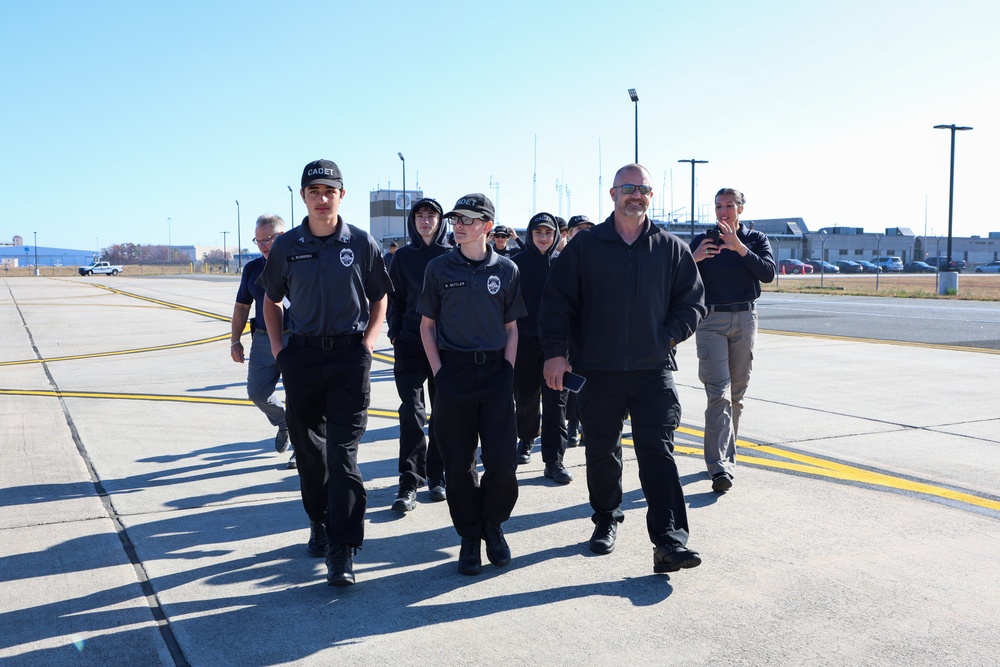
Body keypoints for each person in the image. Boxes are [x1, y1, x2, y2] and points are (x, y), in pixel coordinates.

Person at [540, 163, 706, 575]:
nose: (637, 195)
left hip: (653, 370)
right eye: (628, 188)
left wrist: (665, 337)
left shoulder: (671, 248)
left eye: (644, 189)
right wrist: (555, 353)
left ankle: (669, 541)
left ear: (651, 196)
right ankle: (606, 518)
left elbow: (694, 303)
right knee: (601, 450)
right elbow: (557, 303)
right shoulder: (585, 246)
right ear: (612, 194)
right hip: (599, 369)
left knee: (658, 453)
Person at [258, 159, 391, 587]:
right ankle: (318, 521)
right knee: (311, 455)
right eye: (313, 190)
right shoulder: (286, 246)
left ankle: (343, 547)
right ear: (303, 197)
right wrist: (280, 351)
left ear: (341, 195)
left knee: (343, 454)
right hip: (302, 358)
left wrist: (369, 343)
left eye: (328, 190)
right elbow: (271, 300)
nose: (321, 198)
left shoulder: (363, 243)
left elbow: (379, 297)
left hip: (349, 359)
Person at [418, 193, 526, 576]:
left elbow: (512, 329)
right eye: (455, 219)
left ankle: (492, 524)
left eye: (466, 219)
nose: (457, 225)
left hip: (496, 372)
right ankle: (469, 537)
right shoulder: (438, 269)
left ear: (486, 225)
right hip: (454, 374)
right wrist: (440, 373)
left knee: (502, 462)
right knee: (459, 465)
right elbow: (426, 327)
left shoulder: (508, 270)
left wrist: (507, 370)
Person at [690, 188, 775, 493]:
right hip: (711, 322)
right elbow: (676, 277)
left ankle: (727, 456)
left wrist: (738, 247)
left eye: (728, 206)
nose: (722, 211)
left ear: (741, 208)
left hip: (745, 318)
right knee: (718, 393)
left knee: (736, 394)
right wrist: (694, 258)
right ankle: (719, 466)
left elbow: (767, 274)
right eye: (718, 206)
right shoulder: (703, 240)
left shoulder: (755, 239)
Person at [386, 198, 450, 511]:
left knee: (442, 411)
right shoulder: (402, 257)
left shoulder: (452, 256)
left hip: (444, 346)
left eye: (431, 215)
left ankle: (437, 475)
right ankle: (410, 481)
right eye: (420, 215)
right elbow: (394, 298)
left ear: (440, 221)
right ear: (413, 221)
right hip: (410, 343)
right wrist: (395, 331)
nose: (425, 221)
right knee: (411, 411)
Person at [230, 214, 294, 468]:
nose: (264, 245)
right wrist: (235, 340)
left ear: (282, 236)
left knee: (300, 396)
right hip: (264, 340)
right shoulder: (253, 269)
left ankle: (303, 446)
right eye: (258, 241)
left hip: (296, 340)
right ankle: (284, 422)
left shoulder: (299, 264)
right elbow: (242, 307)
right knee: (257, 393)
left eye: (269, 239)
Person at [512, 212, 572, 483]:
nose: (544, 237)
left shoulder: (566, 263)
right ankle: (525, 439)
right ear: (530, 235)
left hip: (557, 346)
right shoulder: (515, 264)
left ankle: (554, 460)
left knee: (555, 403)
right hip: (523, 342)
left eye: (548, 233)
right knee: (524, 399)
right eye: (538, 233)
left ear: (556, 235)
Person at [563, 214, 595, 447]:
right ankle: (573, 424)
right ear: (569, 232)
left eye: (587, 228)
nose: (583, 231)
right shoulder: (563, 257)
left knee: (595, 382)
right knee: (572, 382)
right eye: (578, 228)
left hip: (595, 329)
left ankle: (587, 425)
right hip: (570, 330)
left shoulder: (599, 255)